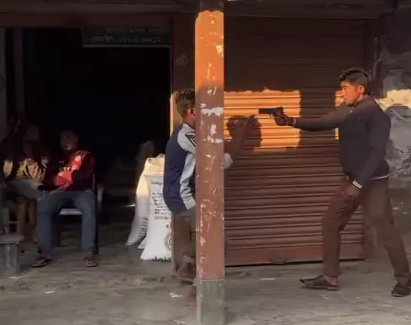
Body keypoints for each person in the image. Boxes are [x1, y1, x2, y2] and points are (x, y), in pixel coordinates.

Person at [272, 67, 411, 297]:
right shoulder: (348, 109)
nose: (342, 93)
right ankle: (330, 277)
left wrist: (358, 185)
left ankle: (405, 281)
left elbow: (376, 154)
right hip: (350, 180)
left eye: (346, 88)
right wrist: (292, 121)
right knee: (330, 222)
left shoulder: (376, 116)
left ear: (360, 89)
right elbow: (323, 122)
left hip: (372, 183)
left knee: (385, 229)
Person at [163, 89, 252, 306]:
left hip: (181, 196)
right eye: (205, 109)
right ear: (193, 111)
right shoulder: (187, 136)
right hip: (181, 198)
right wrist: (241, 137)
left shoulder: (189, 133)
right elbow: (221, 163)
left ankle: (187, 265)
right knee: (217, 240)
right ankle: (197, 293)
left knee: (206, 233)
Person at [33, 130, 98, 268]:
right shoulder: (56, 158)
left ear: (76, 138)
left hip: (82, 192)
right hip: (61, 192)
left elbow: (83, 175)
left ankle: (88, 252)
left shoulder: (85, 155)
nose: (66, 141)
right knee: (44, 207)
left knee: (88, 208)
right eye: (62, 138)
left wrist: (63, 176)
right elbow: (48, 178)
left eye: (69, 137)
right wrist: (68, 177)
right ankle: (45, 252)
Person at [0, 119, 47, 237]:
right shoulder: (8, 145)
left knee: (43, 193)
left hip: (30, 182)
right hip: (10, 181)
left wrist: (30, 157)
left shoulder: (41, 149)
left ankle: (42, 230)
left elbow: (40, 177)